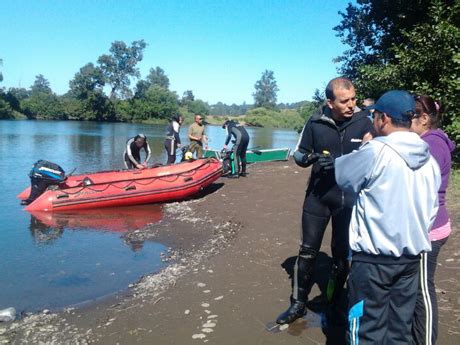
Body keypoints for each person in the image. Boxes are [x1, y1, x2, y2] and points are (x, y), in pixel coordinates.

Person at [334, 90, 441, 344]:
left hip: (373, 261)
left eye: (375, 116)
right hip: (410, 259)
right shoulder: (429, 158)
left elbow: (342, 177)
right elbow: (432, 210)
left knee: (365, 330)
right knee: (399, 329)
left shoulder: (375, 151)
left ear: (383, 118)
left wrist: (365, 144)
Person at [276, 77, 374, 325]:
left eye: (353, 98)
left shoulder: (364, 122)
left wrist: (342, 163)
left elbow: (372, 159)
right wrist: (306, 159)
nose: (352, 105)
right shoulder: (316, 120)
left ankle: (332, 302)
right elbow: (299, 153)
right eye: (345, 101)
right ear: (330, 102)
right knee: (308, 251)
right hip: (318, 197)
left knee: (341, 255)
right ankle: (297, 304)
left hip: (347, 199)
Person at [411, 95, 455, 345]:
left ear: (424, 119)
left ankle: (426, 341)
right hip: (429, 226)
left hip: (430, 230)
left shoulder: (433, 144)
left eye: (410, 118)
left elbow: (425, 188)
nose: (406, 124)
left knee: (422, 291)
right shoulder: (430, 140)